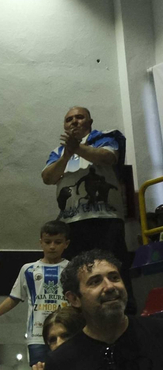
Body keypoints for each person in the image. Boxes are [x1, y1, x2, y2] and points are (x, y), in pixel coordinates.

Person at [42, 105, 128, 267]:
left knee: (111, 268)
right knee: (76, 273)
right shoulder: (58, 152)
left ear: (90, 121)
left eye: (79, 117)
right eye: (69, 119)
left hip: (106, 219)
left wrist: (77, 148)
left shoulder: (105, 138)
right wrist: (67, 154)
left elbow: (107, 158)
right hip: (70, 222)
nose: (74, 121)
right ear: (64, 126)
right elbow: (48, 177)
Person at [0, 220, 71, 362]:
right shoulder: (28, 269)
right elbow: (13, 298)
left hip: (65, 334)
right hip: (37, 336)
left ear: (66, 244)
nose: (52, 246)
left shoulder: (71, 269)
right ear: (41, 242)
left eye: (57, 242)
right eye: (48, 242)